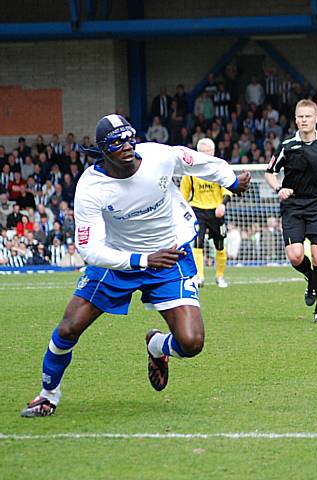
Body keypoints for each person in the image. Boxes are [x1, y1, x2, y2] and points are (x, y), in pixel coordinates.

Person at [20, 114, 251, 417]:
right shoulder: (91, 187)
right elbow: (89, 249)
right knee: (68, 327)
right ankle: (48, 395)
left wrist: (231, 180)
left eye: (130, 139)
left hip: (169, 256)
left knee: (192, 342)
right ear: (103, 150)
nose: (128, 147)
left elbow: (200, 161)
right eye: (118, 143)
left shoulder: (159, 156)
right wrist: (141, 260)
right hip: (117, 262)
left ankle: (156, 346)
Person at [265, 99, 317, 324]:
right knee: (295, 255)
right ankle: (311, 278)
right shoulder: (287, 146)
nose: (304, 120)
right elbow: (270, 172)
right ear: (296, 119)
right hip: (293, 205)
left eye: (308, 116)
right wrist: (279, 188)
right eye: (300, 117)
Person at [180, 138, 231, 288]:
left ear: (213, 152)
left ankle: (220, 277)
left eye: (209, 151)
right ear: (198, 153)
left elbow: (227, 188)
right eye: (203, 151)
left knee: (220, 245)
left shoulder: (220, 168)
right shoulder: (190, 170)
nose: (207, 154)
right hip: (197, 211)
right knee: (197, 244)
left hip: (216, 211)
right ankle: (199, 277)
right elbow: (183, 194)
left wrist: (223, 205)